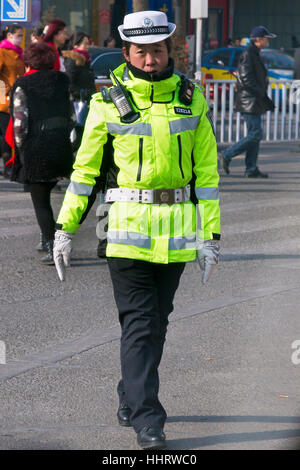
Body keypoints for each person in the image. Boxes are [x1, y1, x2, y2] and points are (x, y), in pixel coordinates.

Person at [53, 10, 220, 449]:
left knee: (156, 323)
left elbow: (206, 174)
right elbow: (85, 172)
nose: (150, 60)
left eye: (158, 51)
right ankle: (149, 417)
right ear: (126, 53)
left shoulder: (193, 97)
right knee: (142, 324)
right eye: (141, 52)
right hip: (125, 231)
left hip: (179, 233)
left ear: (170, 51)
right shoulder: (108, 103)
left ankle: (130, 392)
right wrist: (64, 228)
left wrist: (211, 236)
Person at [9, 42, 73, 263]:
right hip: (61, 145)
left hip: (36, 148)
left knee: (41, 201)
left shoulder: (23, 85)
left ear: (28, 62)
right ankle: (49, 237)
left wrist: (20, 148)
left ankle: (53, 244)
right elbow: (72, 114)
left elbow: (20, 122)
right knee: (56, 192)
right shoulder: (62, 80)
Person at [220, 26, 276, 178]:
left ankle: (251, 168)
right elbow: (245, 78)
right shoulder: (249, 53)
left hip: (254, 100)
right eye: (266, 38)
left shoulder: (254, 53)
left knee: (254, 134)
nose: (267, 41)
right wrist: (260, 92)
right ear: (258, 39)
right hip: (249, 100)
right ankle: (227, 154)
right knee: (255, 134)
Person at [0, 23, 25, 177]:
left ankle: (12, 165)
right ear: (9, 36)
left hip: (16, 98)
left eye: (22, 36)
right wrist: (4, 92)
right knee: (6, 134)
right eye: (18, 36)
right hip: (4, 100)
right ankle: (7, 165)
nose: (20, 39)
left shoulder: (19, 53)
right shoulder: (2, 52)